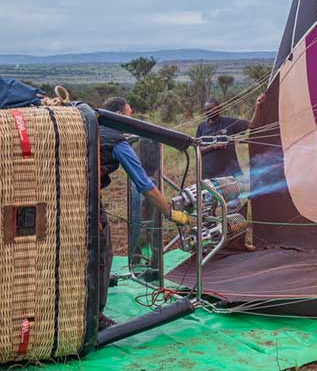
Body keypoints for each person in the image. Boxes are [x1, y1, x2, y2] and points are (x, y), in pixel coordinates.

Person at [98, 97, 187, 329]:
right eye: (128, 115)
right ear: (118, 115)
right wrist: (170, 212)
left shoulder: (92, 126)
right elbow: (144, 185)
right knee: (102, 253)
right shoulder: (118, 143)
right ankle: (95, 317)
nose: (131, 120)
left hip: (65, 195)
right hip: (86, 199)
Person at [195, 94, 264, 179]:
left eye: (211, 109)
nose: (208, 112)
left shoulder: (229, 122)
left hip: (230, 173)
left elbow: (253, 125)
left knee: (232, 192)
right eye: (206, 110)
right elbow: (198, 150)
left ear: (219, 108)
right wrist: (213, 146)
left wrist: (258, 105)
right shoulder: (201, 127)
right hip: (209, 174)